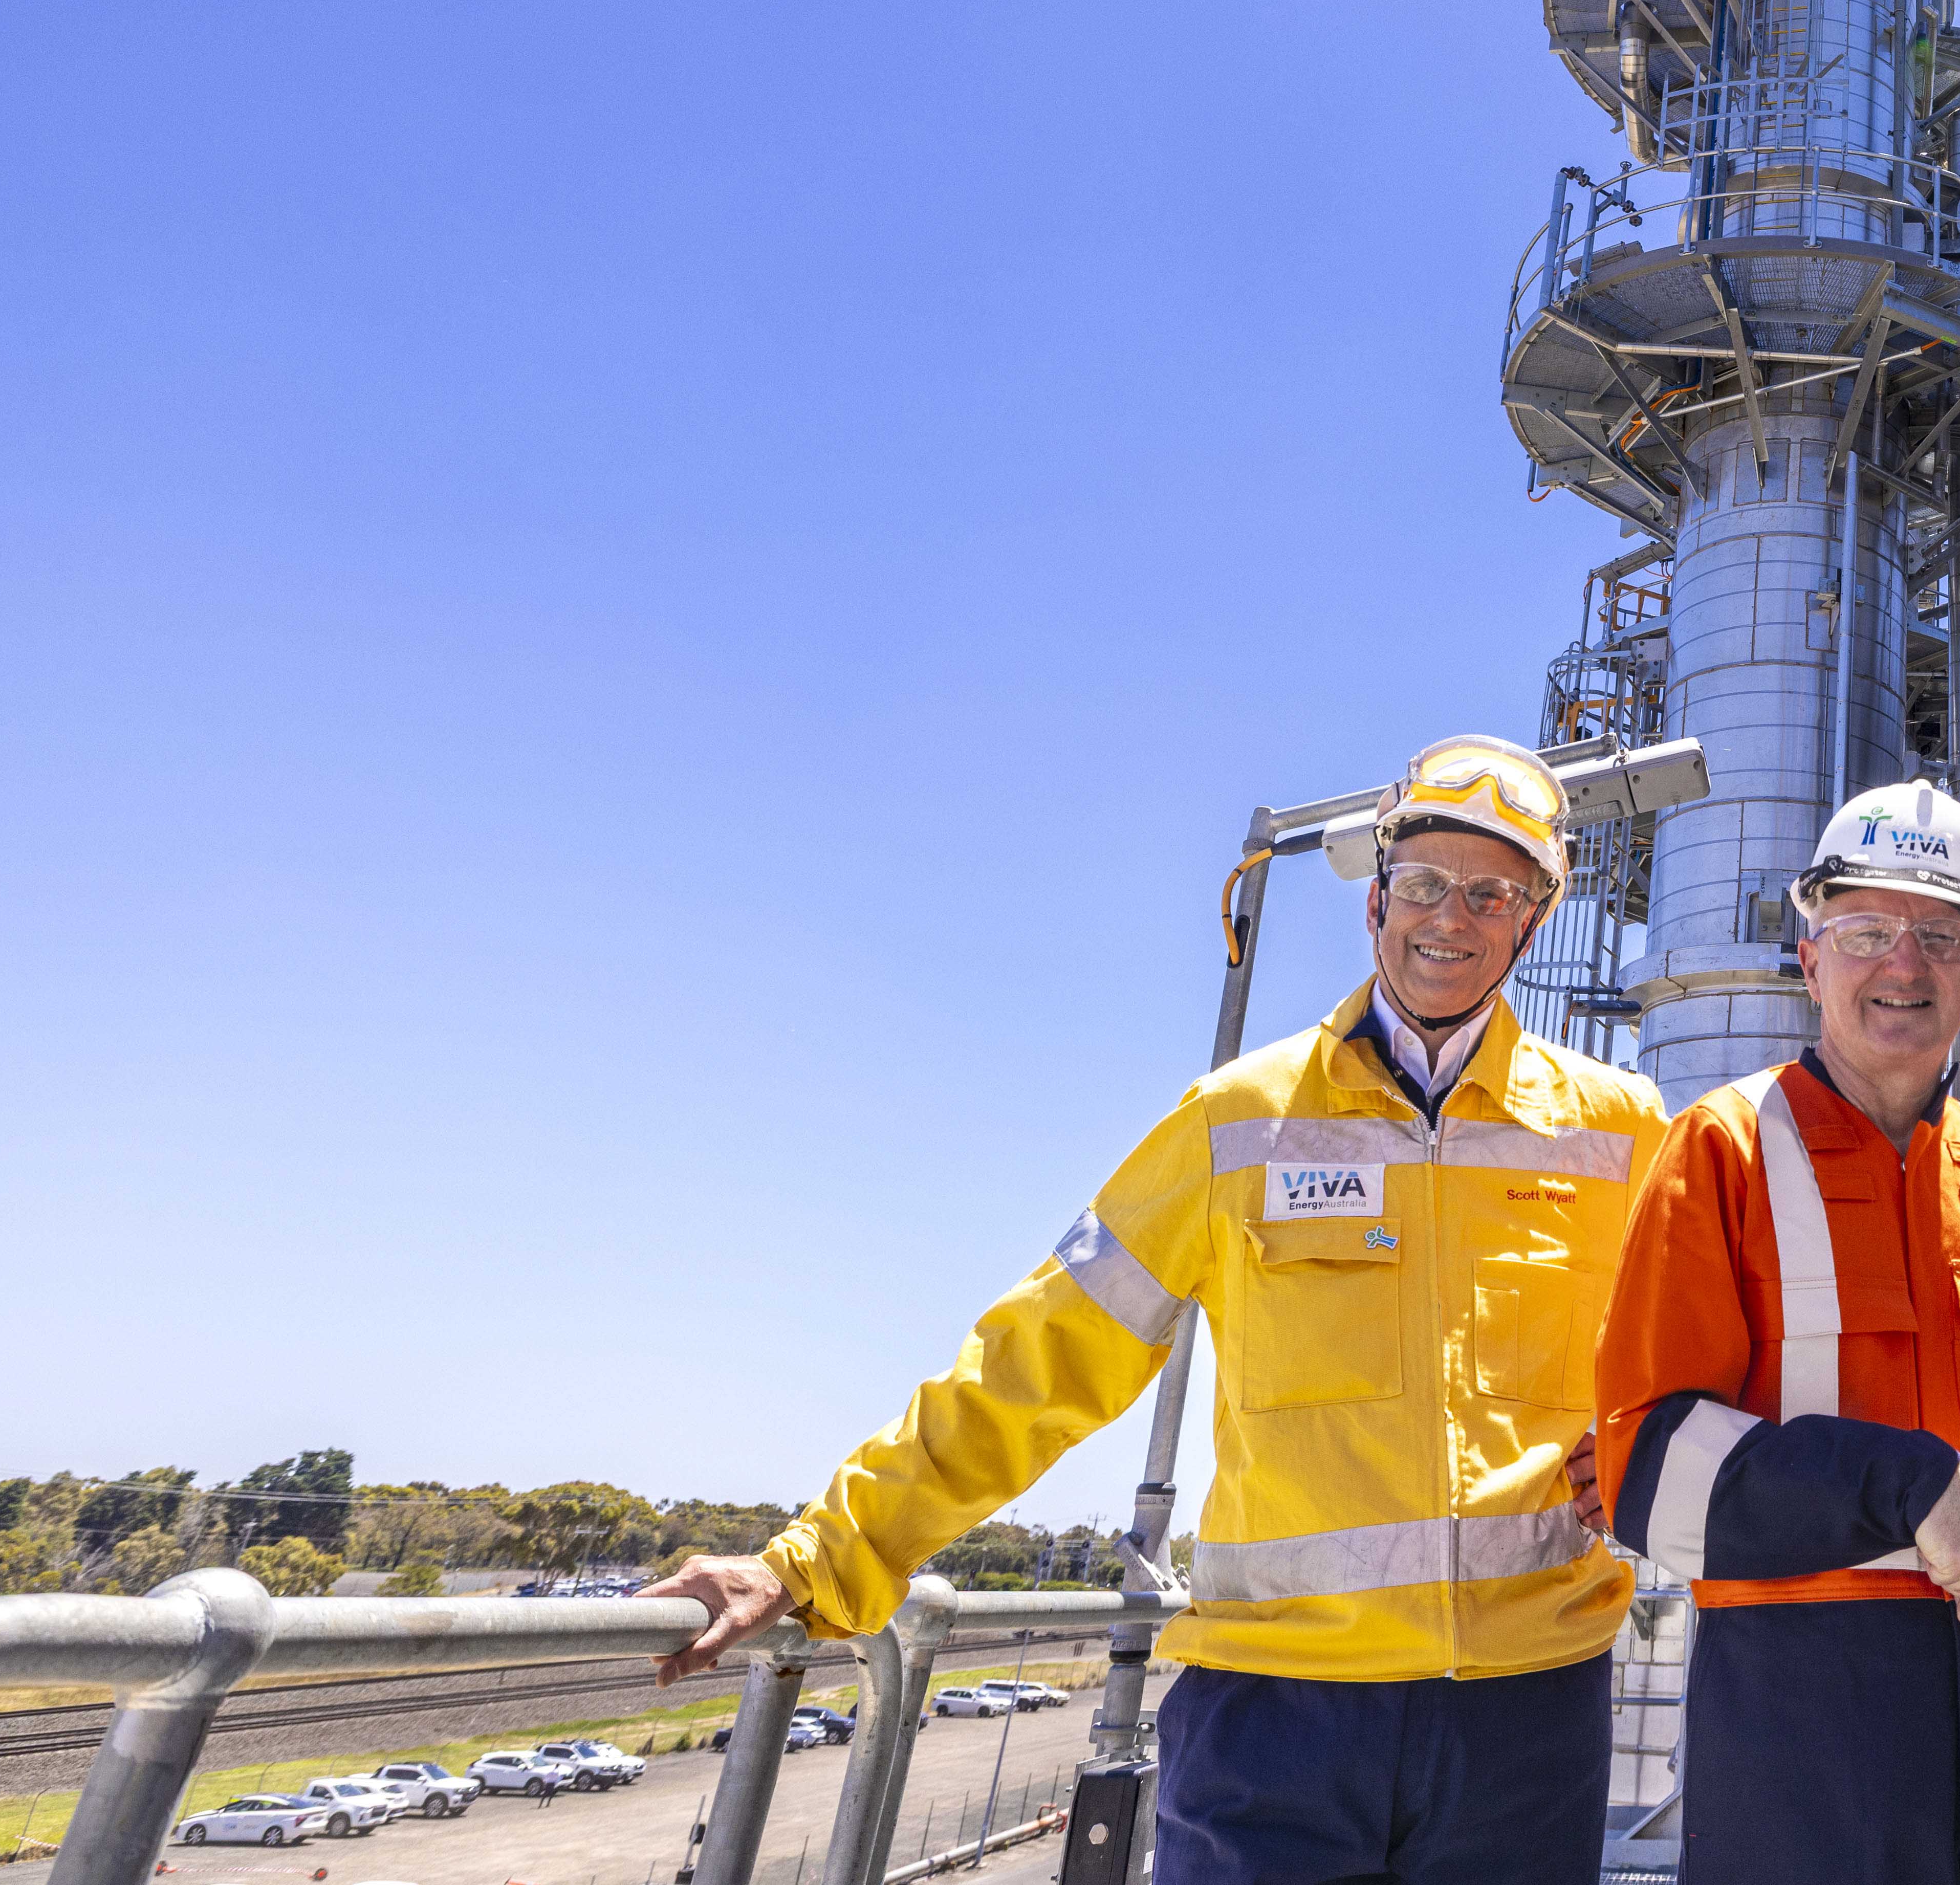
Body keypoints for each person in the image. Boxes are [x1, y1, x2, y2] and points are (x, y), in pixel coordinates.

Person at [642, 733, 1669, 1885]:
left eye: (1494, 893)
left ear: (1533, 919)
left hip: (1525, 1718)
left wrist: (1645, 1436)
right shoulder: (1238, 1120)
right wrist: (812, 1560)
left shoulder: (1619, 1130)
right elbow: (1043, 1351)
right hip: (1276, 1718)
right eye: (1426, 881)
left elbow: (1713, 1344)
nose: (1452, 916)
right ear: (1376, 896)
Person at [1596, 780, 1960, 1885]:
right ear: (1810, 955)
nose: (1902, 965)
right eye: (1866, 932)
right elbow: (1648, 1465)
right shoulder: (1719, 1153)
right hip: (1794, 1718)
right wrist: (1909, 1485)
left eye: (1941, 935)